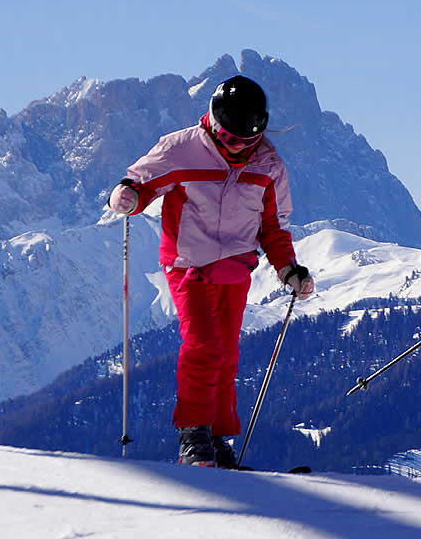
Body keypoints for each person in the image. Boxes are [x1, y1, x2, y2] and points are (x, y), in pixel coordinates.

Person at [108, 75, 315, 468]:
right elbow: (142, 184)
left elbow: (272, 228)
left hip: (236, 267)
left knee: (226, 354)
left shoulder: (267, 164)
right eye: (232, 139)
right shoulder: (182, 149)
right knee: (202, 346)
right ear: (215, 125)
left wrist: (289, 270)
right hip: (188, 263)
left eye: (247, 140)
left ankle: (218, 441)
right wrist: (129, 194)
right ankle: (194, 438)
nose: (239, 148)